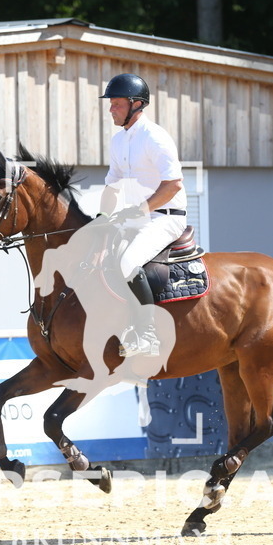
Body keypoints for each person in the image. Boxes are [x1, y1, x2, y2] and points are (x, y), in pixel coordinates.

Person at [98, 73, 188, 357]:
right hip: (137, 218)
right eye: (110, 104)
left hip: (166, 216)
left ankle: (147, 335)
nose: (111, 109)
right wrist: (101, 220)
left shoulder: (154, 136)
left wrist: (139, 210)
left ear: (137, 104)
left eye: (116, 104)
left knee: (127, 261)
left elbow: (173, 184)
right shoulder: (118, 141)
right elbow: (112, 187)